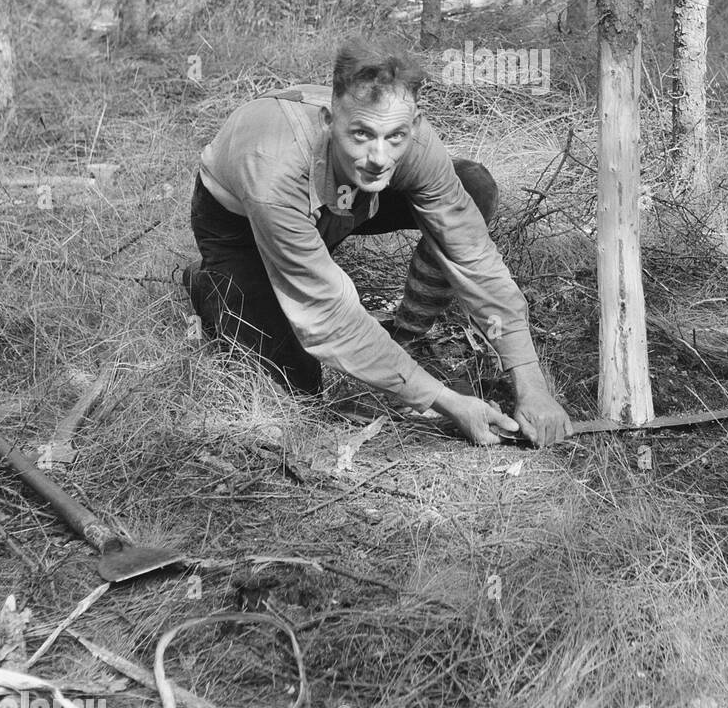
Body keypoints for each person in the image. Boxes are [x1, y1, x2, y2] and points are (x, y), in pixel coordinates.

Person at [182, 37, 573, 446]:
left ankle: (407, 334)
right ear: (329, 120)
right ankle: (215, 286)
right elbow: (330, 317)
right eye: (362, 133)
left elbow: (473, 257)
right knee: (298, 390)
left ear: (415, 124)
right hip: (241, 225)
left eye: (395, 137)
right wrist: (444, 401)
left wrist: (532, 385)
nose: (379, 156)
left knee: (472, 186)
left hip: (343, 199)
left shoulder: (410, 145)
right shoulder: (274, 169)